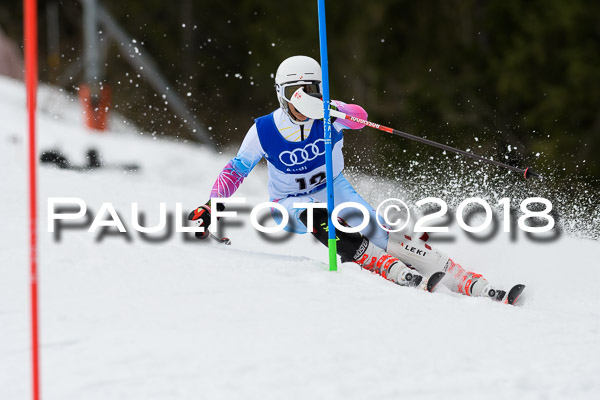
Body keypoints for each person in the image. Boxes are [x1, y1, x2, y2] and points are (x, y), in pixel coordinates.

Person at [190, 55, 506, 300]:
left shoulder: (330, 117)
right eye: (294, 93)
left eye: (310, 92)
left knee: (382, 234)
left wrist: (330, 108)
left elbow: (361, 119)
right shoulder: (263, 129)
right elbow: (236, 170)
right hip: (288, 202)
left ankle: (461, 278)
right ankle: (379, 264)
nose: (302, 101)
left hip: (334, 186)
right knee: (317, 214)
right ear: (281, 95)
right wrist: (210, 206)